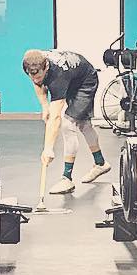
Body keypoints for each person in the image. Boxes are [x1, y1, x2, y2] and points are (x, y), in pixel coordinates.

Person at [22, 48, 110, 195]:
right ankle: (101, 163)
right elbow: (38, 83)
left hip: (85, 82)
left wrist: (48, 148)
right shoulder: (30, 63)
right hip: (72, 79)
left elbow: (55, 117)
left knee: (68, 125)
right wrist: (44, 106)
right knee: (84, 124)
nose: (35, 79)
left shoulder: (58, 76)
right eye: (32, 76)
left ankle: (66, 178)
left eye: (39, 76)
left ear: (46, 67)